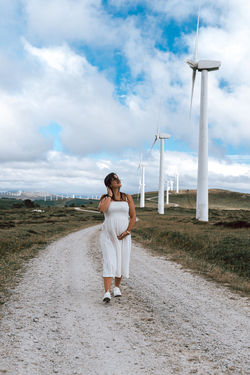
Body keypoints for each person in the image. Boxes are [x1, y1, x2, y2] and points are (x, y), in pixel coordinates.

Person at [98, 172, 136, 303]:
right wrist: (109, 196)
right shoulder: (105, 197)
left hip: (124, 236)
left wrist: (128, 231)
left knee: (122, 260)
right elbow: (102, 209)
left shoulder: (127, 197)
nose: (118, 179)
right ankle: (107, 292)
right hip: (108, 236)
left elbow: (133, 216)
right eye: (114, 179)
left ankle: (117, 288)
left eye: (118, 177)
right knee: (110, 261)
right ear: (109, 183)